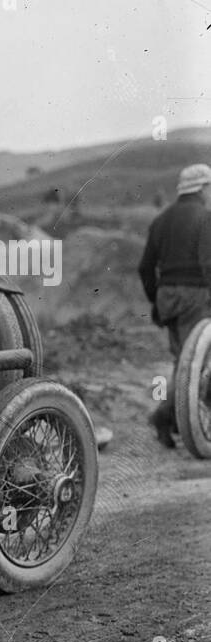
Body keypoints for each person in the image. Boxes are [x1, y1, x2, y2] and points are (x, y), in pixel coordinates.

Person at [137, 162, 211, 446]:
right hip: (195, 296)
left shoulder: (161, 220)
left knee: (184, 359)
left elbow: (145, 268)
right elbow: (208, 262)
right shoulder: (205, 218)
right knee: (197, 363)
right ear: (202, 188)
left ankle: (179, 418)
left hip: (168, 296)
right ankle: (167, 415)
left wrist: (156, 301)